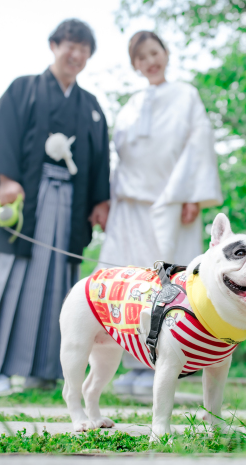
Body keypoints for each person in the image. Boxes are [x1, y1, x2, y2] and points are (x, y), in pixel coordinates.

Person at [0, 19, 110, 394]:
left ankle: (45, 371)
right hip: (26, 200)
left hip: (69, 205)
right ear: (54, 45)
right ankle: (0, 371)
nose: (76, 54)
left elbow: (99, 159)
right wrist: (4, 179)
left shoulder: (91, 106)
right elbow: (2, 134)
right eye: (71, 45)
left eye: (84, 49)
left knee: (61, 287)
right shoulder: (24, 89)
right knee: (14, 276)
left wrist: (101, 200)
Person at [97, 31, 223, 395]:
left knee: (171, 281)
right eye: (141, 57)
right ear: (135, 65)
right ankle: (128, 364)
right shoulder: (131, 104)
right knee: (127, 279)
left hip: (171, 203)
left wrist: (192, 196)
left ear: (165, 53)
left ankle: (165, 364)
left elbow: (199, 143)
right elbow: (120, 154)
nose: (150, 61)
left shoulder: (186, 94)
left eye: (154, 52)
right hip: (129, 206)